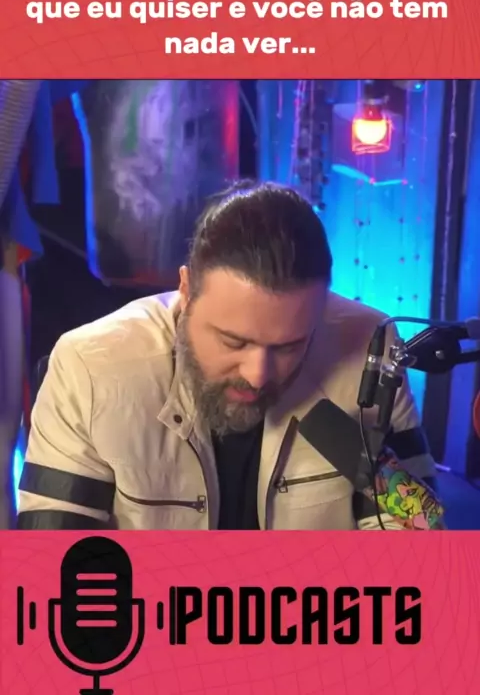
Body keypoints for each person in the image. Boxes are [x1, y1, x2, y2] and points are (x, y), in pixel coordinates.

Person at [17, 182, 436, 530]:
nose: (257, 375)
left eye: (289, 346)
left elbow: (417, 528)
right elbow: (56, 572)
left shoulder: (369, 349)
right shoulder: (89, 368)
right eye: (234, 342)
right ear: (186, 292)